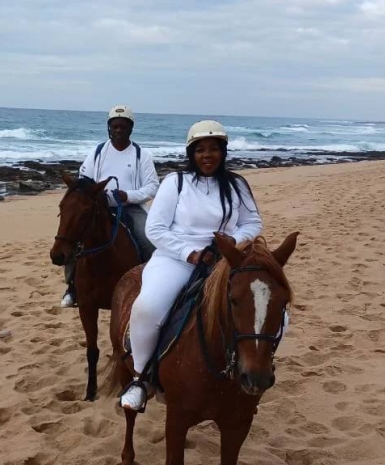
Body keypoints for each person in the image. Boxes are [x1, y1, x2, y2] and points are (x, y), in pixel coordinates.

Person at [119, 120, 265, 411]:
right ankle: (140, 377)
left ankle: (258, 363)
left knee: (268, 310)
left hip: (226, 261)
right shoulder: (176, 182)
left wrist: (232, 241)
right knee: (147, 309)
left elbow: (253, 223)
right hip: (176, 259)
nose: (207, 155)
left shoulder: (237, 184)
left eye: (213, 149)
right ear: (191, 153)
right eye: (200, 150)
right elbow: (155, 228)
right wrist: (191, 253)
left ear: (223, 152)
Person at [60, 105, 160, 308]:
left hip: (131, 208)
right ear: (109, 128)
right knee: (72, 238)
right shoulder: (97, 152)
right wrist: (93, 195)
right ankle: (72, 288)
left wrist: (128, 196)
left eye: (123, 126)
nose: (118, 130)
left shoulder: (142, 155)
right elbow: (84, 179)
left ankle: (154, 284)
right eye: (115, 126)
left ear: (130, 128)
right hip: (98, 209)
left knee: (150, 240)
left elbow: (152, 187)